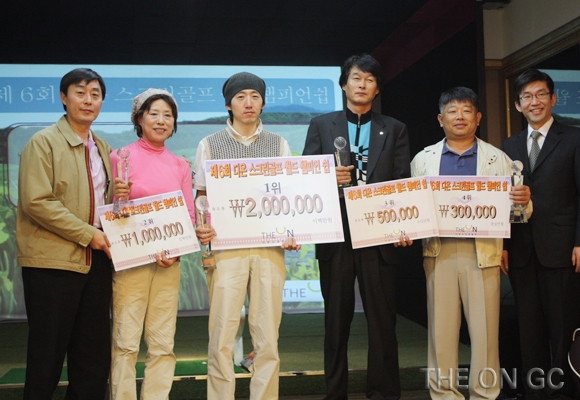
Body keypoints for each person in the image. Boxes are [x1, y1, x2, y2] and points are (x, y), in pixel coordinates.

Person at [302, 53, 412, 400]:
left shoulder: (394, 128)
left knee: (382, 321)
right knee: (336, 322)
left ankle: (383, 392)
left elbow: (401, 180)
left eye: (369, 79)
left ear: (377, 88)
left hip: (379, 234)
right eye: (355, 78)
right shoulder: (322, 125)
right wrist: (326, 176)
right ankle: (335, 392)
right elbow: (304, 177)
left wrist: (403, 225)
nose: (362, 85)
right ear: (343, 84)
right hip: (335, 235)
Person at [411, 87, 532, 400]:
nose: (459, 117)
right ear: (441, 119)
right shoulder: (423, 160)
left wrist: (524, 201)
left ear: (478, 118)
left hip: (483, 252)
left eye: (466, 110)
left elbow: (519, 212)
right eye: (452, 111)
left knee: (485, 332)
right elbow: (412, 207)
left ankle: (485, 394)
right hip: (439, 252)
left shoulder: (498, 158)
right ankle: (444, 394)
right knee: (441, 331)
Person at [16, 68, 124, 399]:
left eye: (95, 94)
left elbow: (100, 203)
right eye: (80, 92)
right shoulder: (43, 142)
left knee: (92, 357)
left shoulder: (103, 146)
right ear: (64, 98)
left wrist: (118, 197)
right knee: (46, 357)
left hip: (96, 263)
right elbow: (36, 201)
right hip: (53, 264)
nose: (88, 100)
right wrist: (88, 234)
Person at [193, 72, 300, 400]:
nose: (248, 102)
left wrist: (292, 231)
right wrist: (202, 223)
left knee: (267, 336)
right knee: (222, 334)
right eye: (240, 97)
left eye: (255, 96)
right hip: (226, 249)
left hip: (269, 247)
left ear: (263, 103)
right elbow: (201, 195)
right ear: (229, 104)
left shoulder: (278, 143)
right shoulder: (209, 144)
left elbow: (288, 195)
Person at [108, 89, 196, 400]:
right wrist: (116, 198)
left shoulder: (180, 165)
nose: (161, 121)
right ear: (139, 118)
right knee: (126, 342)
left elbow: (189, 214)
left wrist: (175, 252)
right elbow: (109, 209)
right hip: (131, 263)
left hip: (167, 263)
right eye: (154, 114)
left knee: (162, 343)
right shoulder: (120, 157)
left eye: (168, 115)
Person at [501, 69, 580, 400]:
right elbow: (502, 198)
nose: (535, 102)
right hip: (521, 250)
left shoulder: (574, 138)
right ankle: (535, 392)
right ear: (518, 105)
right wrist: (503, 244)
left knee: (563, 328)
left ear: (553, 99)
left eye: (541, 94)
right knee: (529, 329)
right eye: (527, 97)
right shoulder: (509, 145)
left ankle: (564, 392)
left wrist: (579, 241)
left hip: (562, 248)